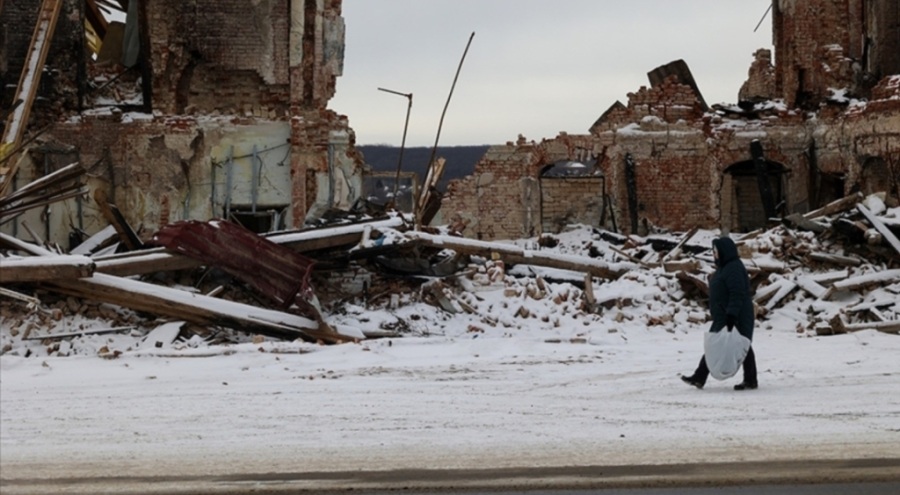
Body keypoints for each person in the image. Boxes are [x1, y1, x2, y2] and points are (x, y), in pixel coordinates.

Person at [681, 236, 758, 390]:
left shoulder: (734, 268)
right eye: (713, 251)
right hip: (724, 313)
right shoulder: (725, 267)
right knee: (718, 343)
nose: (714, 254)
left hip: (735, 314)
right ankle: (700, 376)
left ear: (725, 251)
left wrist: (732, 314)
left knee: (741, 344)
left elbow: (737, 293)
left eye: (716, 251)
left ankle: (750, 380)